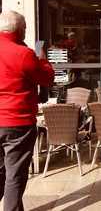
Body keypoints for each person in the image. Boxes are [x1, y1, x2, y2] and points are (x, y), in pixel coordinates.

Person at [0, 11, 55, 211]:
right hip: (17, 122)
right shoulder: (23, 54)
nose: (26, 31)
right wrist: (43, 58)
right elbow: (47, 78)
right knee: (14, 176)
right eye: (25, 28)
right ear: (19, 29)